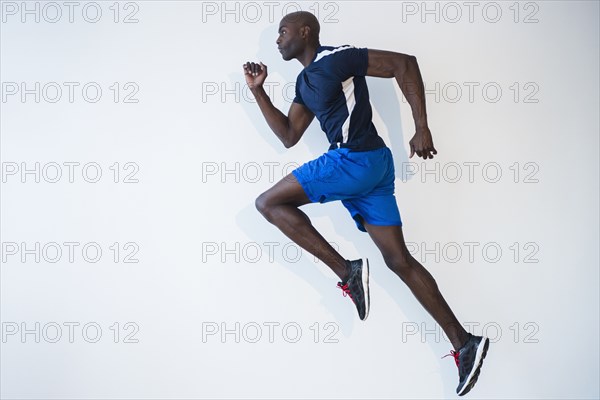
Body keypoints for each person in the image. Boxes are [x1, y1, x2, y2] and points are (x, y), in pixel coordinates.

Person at [243, 11, 489, 396]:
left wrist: (421, 126)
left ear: (305, 32)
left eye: (283, 31)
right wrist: (258, 91)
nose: (277, 39)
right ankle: (464, 342)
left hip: (355, 158)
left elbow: (403, 64)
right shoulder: (306, 82)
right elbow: (289, 134)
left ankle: (348, 271)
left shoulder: (336, 57)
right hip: (371, 170)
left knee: (267, 204)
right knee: (399, 261)